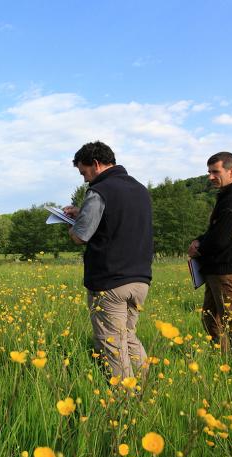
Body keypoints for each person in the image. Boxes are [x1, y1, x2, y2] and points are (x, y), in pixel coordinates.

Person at [63, 141, 153, 381]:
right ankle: (147, 389)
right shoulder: (140, 189)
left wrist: (71, 227)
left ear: (95, 164)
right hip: (141, 279)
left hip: (110, 281)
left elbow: (81, 235)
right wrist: (81, 212)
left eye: (84, 172)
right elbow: (117, 223)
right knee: (129, 336)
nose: (84, 179)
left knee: (112, 344)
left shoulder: (99, 191)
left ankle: (125, 402)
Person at [188, 151, 232, 353]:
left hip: (228, 271)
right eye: (209, 172)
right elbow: (215, 231)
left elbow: (219, 238)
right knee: (210, 318)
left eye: (215, 172)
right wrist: (199, 240)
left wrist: (198, 248)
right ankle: (223, 358)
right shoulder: (227, 197)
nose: (210, 177)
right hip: (217, 270)